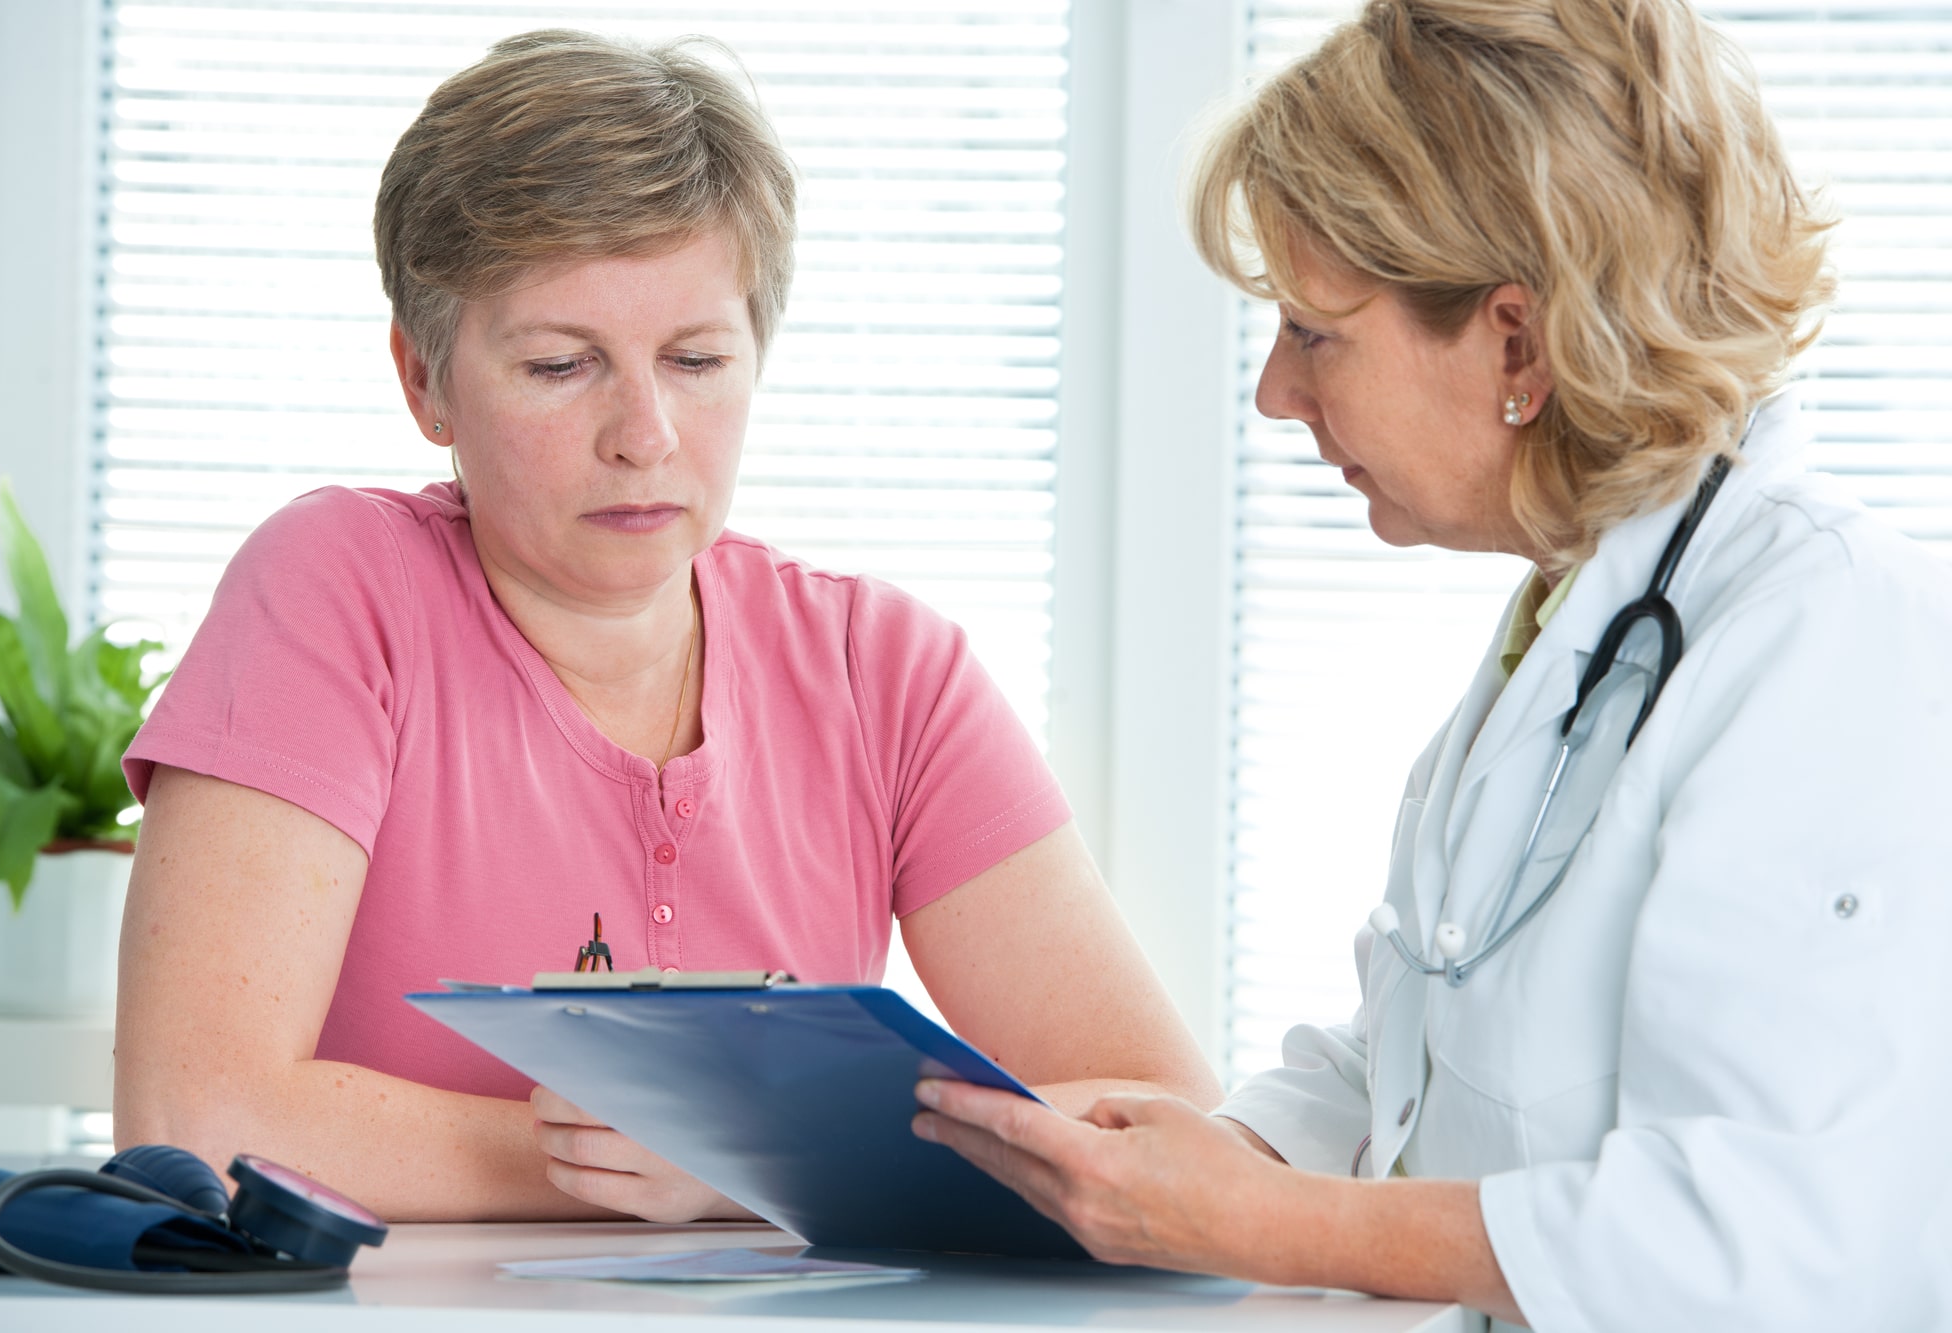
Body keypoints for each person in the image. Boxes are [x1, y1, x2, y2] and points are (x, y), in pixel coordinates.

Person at [909, 0, 1952, 1327]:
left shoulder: (1840, 643)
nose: (1275, 394)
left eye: (1316, 333)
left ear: (1515, 341)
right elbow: (1420, 1059)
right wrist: (1199, 1152)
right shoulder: (1576, 626)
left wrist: (1278, 1223)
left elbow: (1768, 1235)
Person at [113, 30, 1217, 1223]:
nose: (644, 433)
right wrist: (706, 1151)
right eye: (557, 365)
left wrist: (771, 1151)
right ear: (424, 380)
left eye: (695, 358)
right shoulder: (337, 589)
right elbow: (197, 1117)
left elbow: (1163, 1122)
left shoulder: (884, 669)